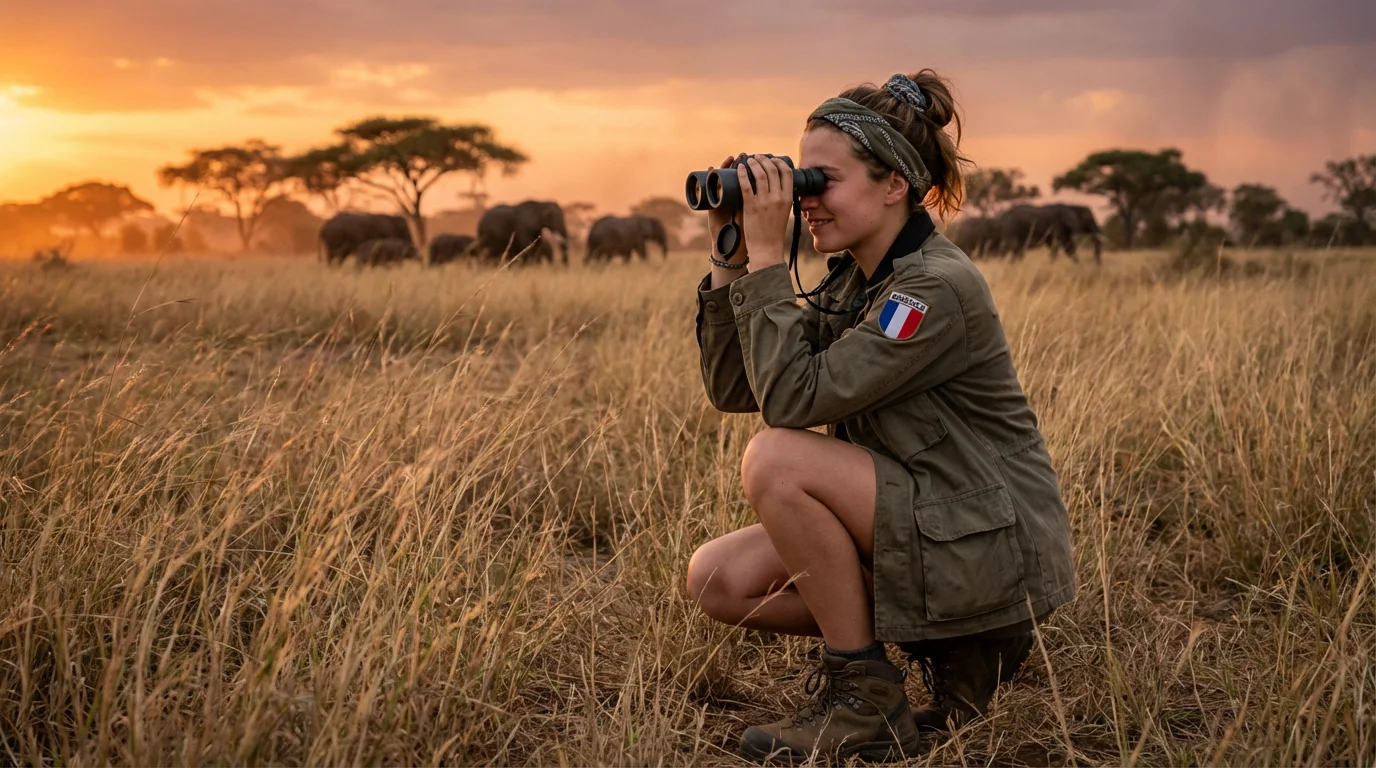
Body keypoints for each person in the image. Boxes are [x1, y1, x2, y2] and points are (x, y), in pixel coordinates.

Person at [686, 70, 1077, 763]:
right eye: (801, 181)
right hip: (938, 522)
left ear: (894, 183)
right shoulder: (862, 280)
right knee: (716, 579)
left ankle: (865, 699)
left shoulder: (931, 288)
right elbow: (737, 388)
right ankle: (944, 641)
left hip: (991, 544)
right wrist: (733, 257)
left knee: (776, 458)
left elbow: (791, 404)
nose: (805, 200)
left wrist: (776, 259)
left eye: (821, 181)